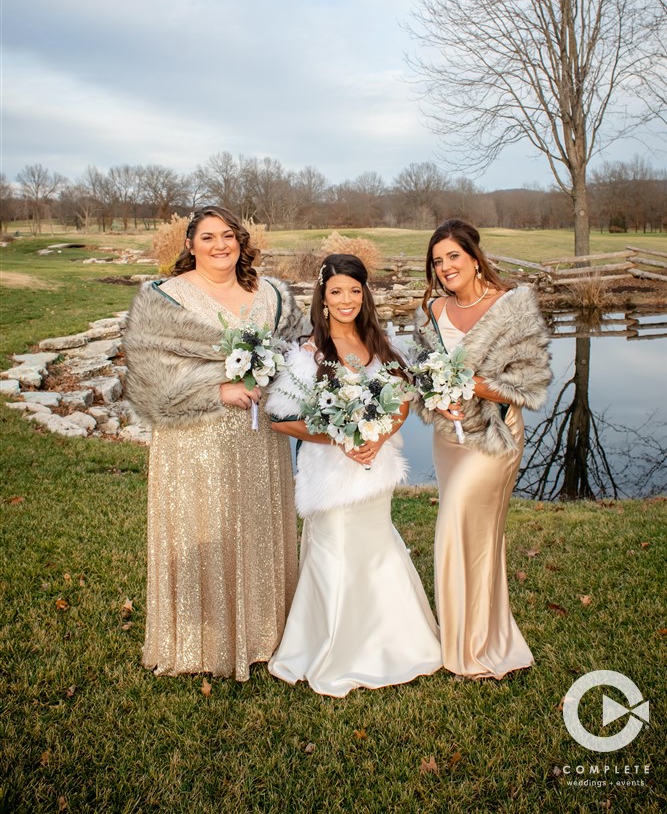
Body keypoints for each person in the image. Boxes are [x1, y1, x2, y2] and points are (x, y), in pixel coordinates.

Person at [123, 206, 303, 679]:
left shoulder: (272, 294)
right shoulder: (165, 296)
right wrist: (216, 389)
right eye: (207, 237)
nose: (220, 245)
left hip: (259, 437)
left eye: (228, 235)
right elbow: (146, 372)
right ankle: (203, 641)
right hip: (194, 436)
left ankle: (266, 631)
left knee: (256, 521)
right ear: (190, 245)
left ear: (241, 240)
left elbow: (296, 357)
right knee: (205, 521)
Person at [265, 253, 442, 697]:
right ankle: (335, 651)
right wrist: (338, 437)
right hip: (329, 477)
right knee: (336, 554)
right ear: (323, 298)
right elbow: (280, 419)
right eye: (337, 291)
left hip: (375, 471)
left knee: (377, 549)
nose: (346, 300)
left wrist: (379, 437)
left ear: (366, 296)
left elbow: (400, 403)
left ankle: (393, 643)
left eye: (355, 291)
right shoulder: (307, 354)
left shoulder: (382, 346)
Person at [415, 219, 551, 680]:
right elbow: (420, 374)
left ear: (474, 258)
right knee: (470, 534)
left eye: (453, 256)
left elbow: (528, 385)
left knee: (457, 522)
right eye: (438, 261)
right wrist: (433, 391)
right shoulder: (432, 311)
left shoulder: (511, 309)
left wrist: (468, 385)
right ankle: (474, 632)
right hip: (448, 438)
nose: (446, 266)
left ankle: (472, 648)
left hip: (494, 436)